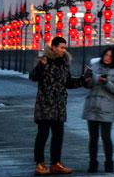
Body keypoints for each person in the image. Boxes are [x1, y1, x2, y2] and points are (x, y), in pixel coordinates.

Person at [29, 36, 84, 175]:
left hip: (59, 106)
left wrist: (83, 80)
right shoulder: (44, 60)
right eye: (61, 47)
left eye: (65, 48)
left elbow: (68, 83)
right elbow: (33, 77)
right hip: (45, 105)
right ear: (53, 47)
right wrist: (41, 66)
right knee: (42, 135)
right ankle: (40, 164)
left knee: (58, 136)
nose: (63, 50)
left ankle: (56, 164)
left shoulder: (64, 63)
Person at [82, 47, 114, 173]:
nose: (107, 58)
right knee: (93, 138)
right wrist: (87, 78)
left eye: (110, 56)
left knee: (106, 137)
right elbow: (87, 86)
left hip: (107, 107)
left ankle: (109, 164)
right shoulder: (95, 66)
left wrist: (106, 82)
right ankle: (93, 164)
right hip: (92, 105)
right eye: (106, 55)